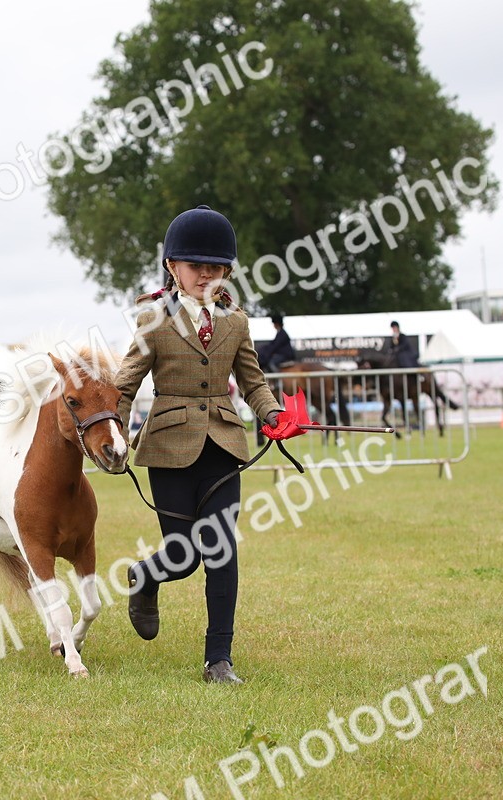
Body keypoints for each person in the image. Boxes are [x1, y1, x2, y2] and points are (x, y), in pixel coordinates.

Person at [115, 205, 286, 685]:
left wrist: (274, 416)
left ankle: (218, 660)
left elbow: (253, 383)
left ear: (227, 270)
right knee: (184, 556)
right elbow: (126, 383)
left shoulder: (236, 322)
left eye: (215, 267)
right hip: (168, 447)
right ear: (173, 267)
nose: (205, 274)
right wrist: (114, 433)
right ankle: (147, 576)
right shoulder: (153, 318)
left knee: (222, 551)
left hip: (224, 446)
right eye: (195, 266)